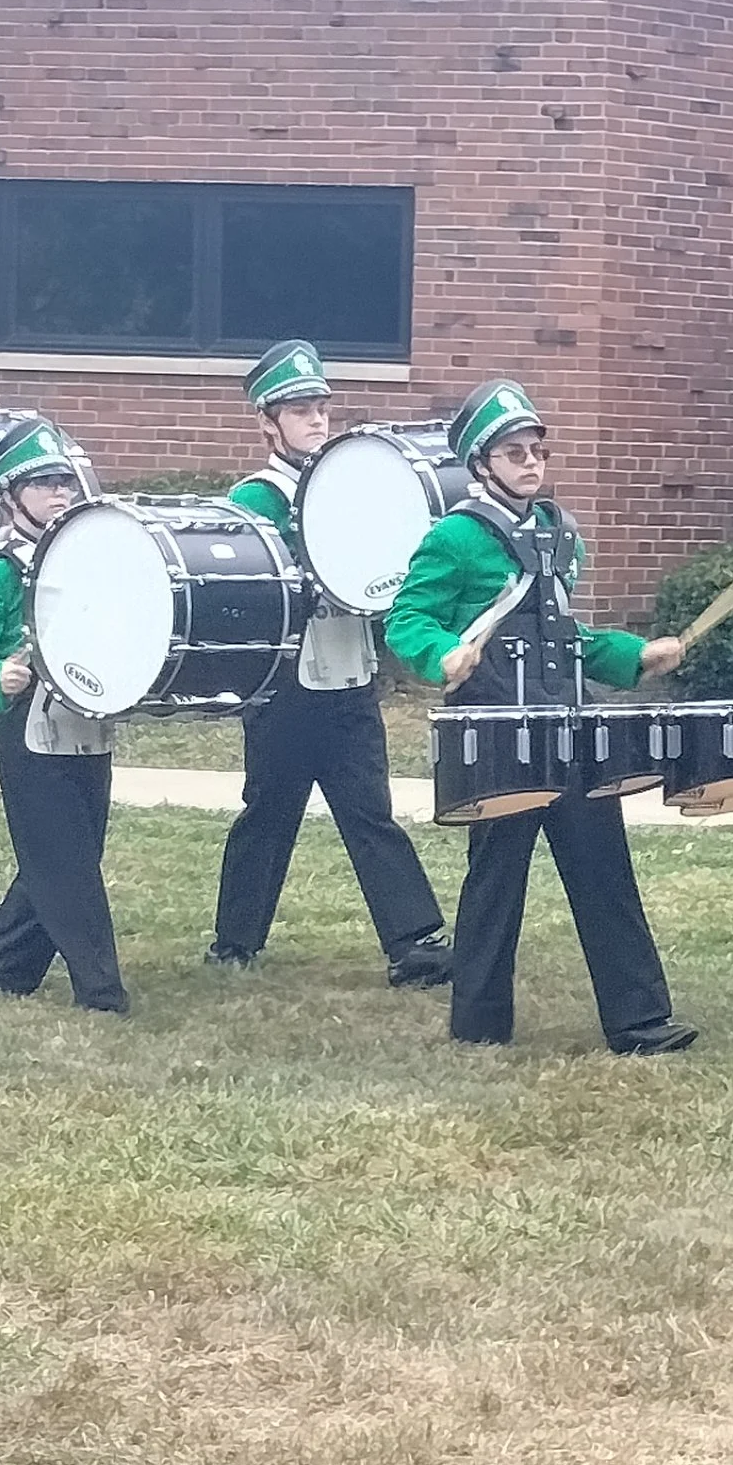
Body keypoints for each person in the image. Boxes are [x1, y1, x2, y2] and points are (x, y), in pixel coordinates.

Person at [383, 378, 699, 1053]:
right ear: (480, 464)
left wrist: (637, 655)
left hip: (571, 728)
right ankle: (479, 1022)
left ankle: (639, 1020)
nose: (530, 463)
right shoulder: (456, 539)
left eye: (536, 451)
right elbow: (408, 618)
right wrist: (442, 655)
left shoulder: (557, 533)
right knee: (496, 881)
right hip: (497, 732)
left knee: (605, 871)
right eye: (513, 453)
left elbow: (570, 640)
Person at [206, 340, 451, 986]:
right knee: (269, 811)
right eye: (300, 409)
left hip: (348, 675)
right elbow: (261, 586)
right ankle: (235, 940)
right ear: (268, 421)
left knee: (370, 811)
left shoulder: (352, 486)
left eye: (321, 407)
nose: (317, 420)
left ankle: (414, 943)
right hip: (285, 683)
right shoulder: (257, 497)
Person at [0, 418, 128, 1014]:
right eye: (42, 483)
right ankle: (101, 991)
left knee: (67, 852)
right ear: (9, 497)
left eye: (63, 480)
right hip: (28, 728)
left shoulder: (85, 554)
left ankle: (5, 966)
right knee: (65, 862)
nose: (59, 492)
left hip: (87, 724)